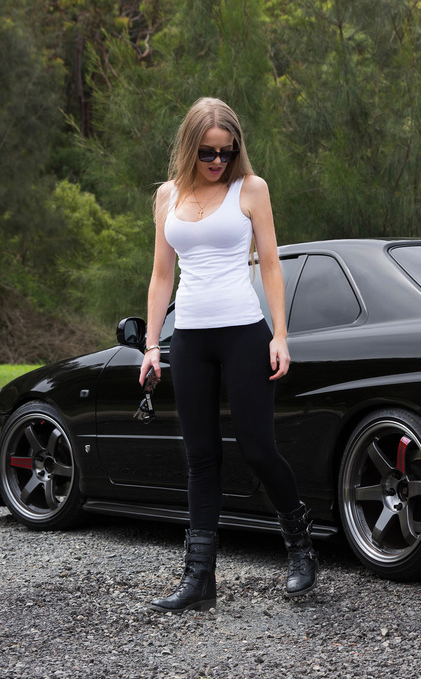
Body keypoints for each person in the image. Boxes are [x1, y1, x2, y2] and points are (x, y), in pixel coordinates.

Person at [139, 97, 317, 611]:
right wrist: (152, 344)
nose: (217, 162)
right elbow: (160, 275)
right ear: (189, 148)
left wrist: (280, 335)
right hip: (190, 338)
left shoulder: (251, 189)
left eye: (226, 152)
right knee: (201, 458)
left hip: (244, 333)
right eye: (207, 153)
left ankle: (301, 545)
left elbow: (271, 266)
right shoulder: (167, 197)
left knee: (258, 447)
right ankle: (199, 579)